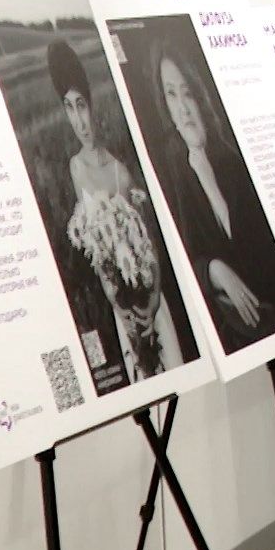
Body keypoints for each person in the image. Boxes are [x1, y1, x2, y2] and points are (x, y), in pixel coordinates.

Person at [148, 42, 275, 352]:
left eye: (187, 92)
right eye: (171, 94)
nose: (183, 107)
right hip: (228, 326)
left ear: (200, 96)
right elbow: (176, 257)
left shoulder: (232, 158)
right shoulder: (170, 171)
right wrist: (213, 270)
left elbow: (266, 246)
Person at [52, 39, 187, 384]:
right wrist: (116, 300)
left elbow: (146, 243)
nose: (78, 120)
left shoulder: (119, 172)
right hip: (121, 303)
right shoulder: (75, 168)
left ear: (93, 104)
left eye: (81, 105)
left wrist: (154, 297)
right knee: (141, 378)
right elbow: (98, 248)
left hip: (147, 298)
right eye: (68, 108)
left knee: (170, 371)